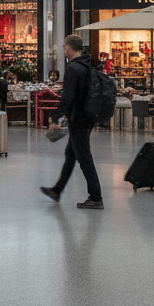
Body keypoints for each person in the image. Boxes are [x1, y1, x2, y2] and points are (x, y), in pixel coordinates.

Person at [39, 35, 103, 209]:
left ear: (68, 47)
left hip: (79, 118)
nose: (63, 50)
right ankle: (57, 190)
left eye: (64, 46)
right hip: (87, 116)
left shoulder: (73, 68)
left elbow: (68, 97)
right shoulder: (86, 66)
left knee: (84, 157)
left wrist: (55, 116)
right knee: (71, 154)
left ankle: (96, 197)